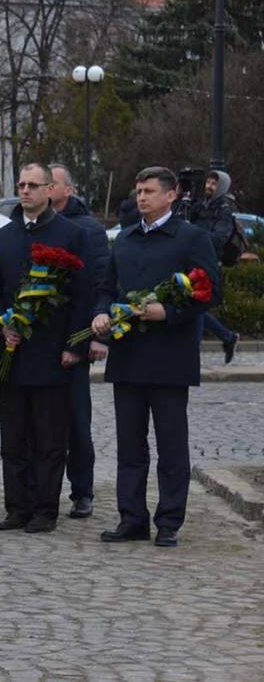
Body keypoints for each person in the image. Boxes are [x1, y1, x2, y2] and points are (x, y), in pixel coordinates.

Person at [93, 166, 220, 548]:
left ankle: (169, 521)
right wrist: (100, 313)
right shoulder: (126, 239)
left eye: (148, 190)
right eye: (138, 190)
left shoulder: (191, 238)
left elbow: (210, 291)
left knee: (170, 445)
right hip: (128, 357)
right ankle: (132, 518)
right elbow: (106, 287)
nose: (141, 197)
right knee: (130, 446)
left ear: (171, 195)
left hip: (169, 358)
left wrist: (169, 313)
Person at [0, 163, 93, 534]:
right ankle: (16, 507)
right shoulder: (8, 235)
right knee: (13, 437)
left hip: (52, 354)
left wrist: (73, 346)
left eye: (33, 185)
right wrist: (2, 324)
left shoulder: (71, 234)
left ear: (50, 190)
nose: (25, 191)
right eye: (21, 185)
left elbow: (83, 296)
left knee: (49, 438)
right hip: (12, 352)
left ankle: (46, 509)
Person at [48, 164, 110, 519]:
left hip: (75, 340)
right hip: (36, 343)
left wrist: (98, 339)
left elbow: (101, 286)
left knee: (76, 421)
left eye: (49, 183)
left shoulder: (88, 230)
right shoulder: (24, 226)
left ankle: (81, 491)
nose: (34, 189)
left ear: (66, 190)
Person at [191, 169, 240, 363]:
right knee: (194, 306)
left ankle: (192, 354)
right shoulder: (200, 205)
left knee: (196, 307)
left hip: (209, 264)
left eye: (213, 183)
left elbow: (219, 238)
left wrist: (195, 238)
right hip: (195, 262)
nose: (209, 186)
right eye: (208, 182)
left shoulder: (224, 209)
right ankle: (227, 337)